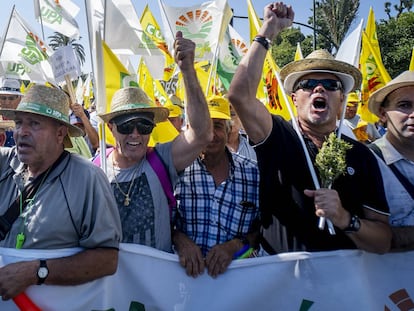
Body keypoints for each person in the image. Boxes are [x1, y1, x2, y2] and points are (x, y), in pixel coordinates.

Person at [227, 2, 391, 254]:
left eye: (330, 84)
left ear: (341, 100)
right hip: (284, 284)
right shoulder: (278, 136)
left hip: (345, 285)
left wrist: (345, 218)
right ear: (293, 98)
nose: (319, 88)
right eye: (309, 83)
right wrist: (268, 31)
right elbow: (239, 95)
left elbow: (382, 241)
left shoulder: (362, 155)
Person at [0, 84, 122, 300]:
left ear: (60, 133)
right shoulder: (5, 164)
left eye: (35, 124)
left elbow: (107, 259)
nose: (22, 132)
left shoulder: (88, 179)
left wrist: (36, 272)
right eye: (19, 123)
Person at [96, 31, 212, 252]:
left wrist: (187, 70)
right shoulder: (94, 170)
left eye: (145, 126)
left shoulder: (160, 160)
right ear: (111, 128)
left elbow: (202, 134)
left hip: (156, 283)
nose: (136, 134)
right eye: (126, 126)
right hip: (109, 284)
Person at [173, 96, 260, 278]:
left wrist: (235, 247)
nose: (210, 134)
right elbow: (162, 225)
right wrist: (180, 241)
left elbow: (261, 233)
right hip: (184, 283)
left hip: (238, 288)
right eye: (204, 126)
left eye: (218, 126)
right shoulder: (176, 172)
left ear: (229, 131)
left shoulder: (253, 175)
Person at [367, 70, 414, 251]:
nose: (413, 113)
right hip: (385, 277)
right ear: (382, 113)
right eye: (404, 105)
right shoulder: (365, 162)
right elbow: (364, 235)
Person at [0, 77, 23, 147]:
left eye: (11, 98)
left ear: (19, 99)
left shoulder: (26, 117)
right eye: (3, 98)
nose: (7, 102)